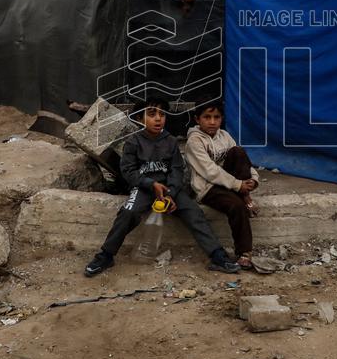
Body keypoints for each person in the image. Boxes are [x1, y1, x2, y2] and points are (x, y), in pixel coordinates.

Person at [84, 96, 240, 277]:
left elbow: (176, 170)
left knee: (193, 212)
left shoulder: (171, 141)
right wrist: (150, 184)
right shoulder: (133, 142)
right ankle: (106, 255)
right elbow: (128, 171)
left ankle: (217, 255)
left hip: (169, 190)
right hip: (144, 188)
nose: (158, 118)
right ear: (140, 118)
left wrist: (171, 193)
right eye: (151, 114)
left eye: (162, 114)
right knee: (128, 212)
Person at [183, 101, 261, 269]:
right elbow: (210, 171)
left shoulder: (224, 135)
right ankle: (244, 252)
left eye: (216, 117)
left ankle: (245, 194)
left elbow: (244, 162)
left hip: (230, 183)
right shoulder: (194, 142)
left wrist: (253, 179)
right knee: (237, 206)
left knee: (238, 152)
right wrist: (238, 184)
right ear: (197, 119)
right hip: (208, 188)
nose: (212, 122)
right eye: (207, 117)